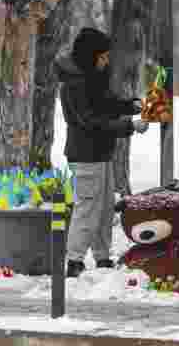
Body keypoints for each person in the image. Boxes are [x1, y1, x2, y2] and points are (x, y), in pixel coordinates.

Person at [54, 27, 150, 278]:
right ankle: (74, 260)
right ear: (90, 55)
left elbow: (106, 103)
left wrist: (130, 105)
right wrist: (128, 125)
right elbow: (90, 121)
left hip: (101, 154)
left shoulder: (91, 77)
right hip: (85, 156)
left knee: (106, 207)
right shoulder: (74, 84)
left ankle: (102, 256)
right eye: (103, 56)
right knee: (87, 207)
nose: (107, 60)